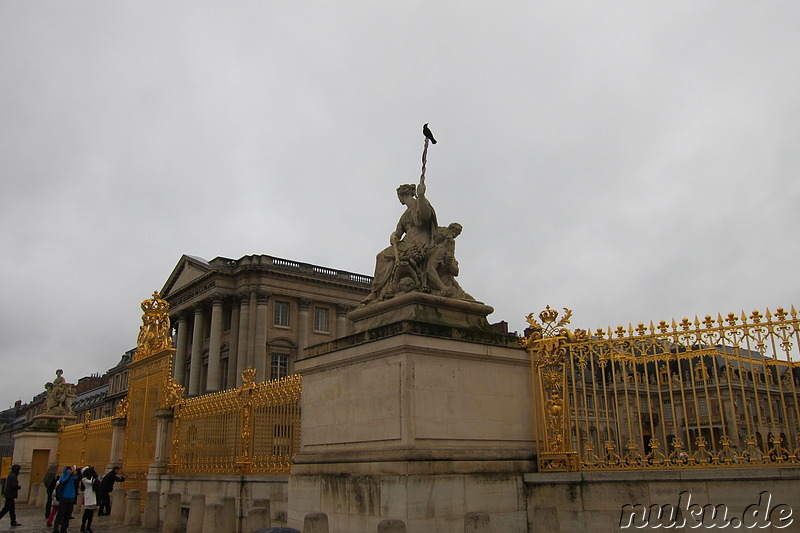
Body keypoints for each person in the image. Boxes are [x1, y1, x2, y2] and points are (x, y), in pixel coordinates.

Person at [362, 175, 438, 304]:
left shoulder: (421, 204)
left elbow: (424, 217)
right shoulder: (404, 215)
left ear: (401, 196)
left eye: (399, 196)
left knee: (383, 256)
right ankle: (377, 291)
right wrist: (394, 236)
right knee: (381, 256)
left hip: (419, 242)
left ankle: (376, 292)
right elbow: (398, 232)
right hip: (406, 243)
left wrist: (421, 196)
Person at [53, 466, 79, 533]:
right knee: (60, 514)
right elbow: (65, 480)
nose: (69, 471)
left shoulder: (72, 479)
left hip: (71, 499)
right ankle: (56, 528)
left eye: (70, 470)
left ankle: (64, 529)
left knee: (67, 516)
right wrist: (71, 474)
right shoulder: (62, 479)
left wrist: (78, 471)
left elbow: (79, 478)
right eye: (68, 470)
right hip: (64, 499)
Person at [80, 467, 99, 532]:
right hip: (88, 496)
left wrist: (94, 475)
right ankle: (83, 526)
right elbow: (91, 482)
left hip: (92, 495)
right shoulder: (84, 479)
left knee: (91, 513)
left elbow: (96, 481)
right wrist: (93, 475)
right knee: (86, 513)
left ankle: (88, 526)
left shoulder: (91, 477)